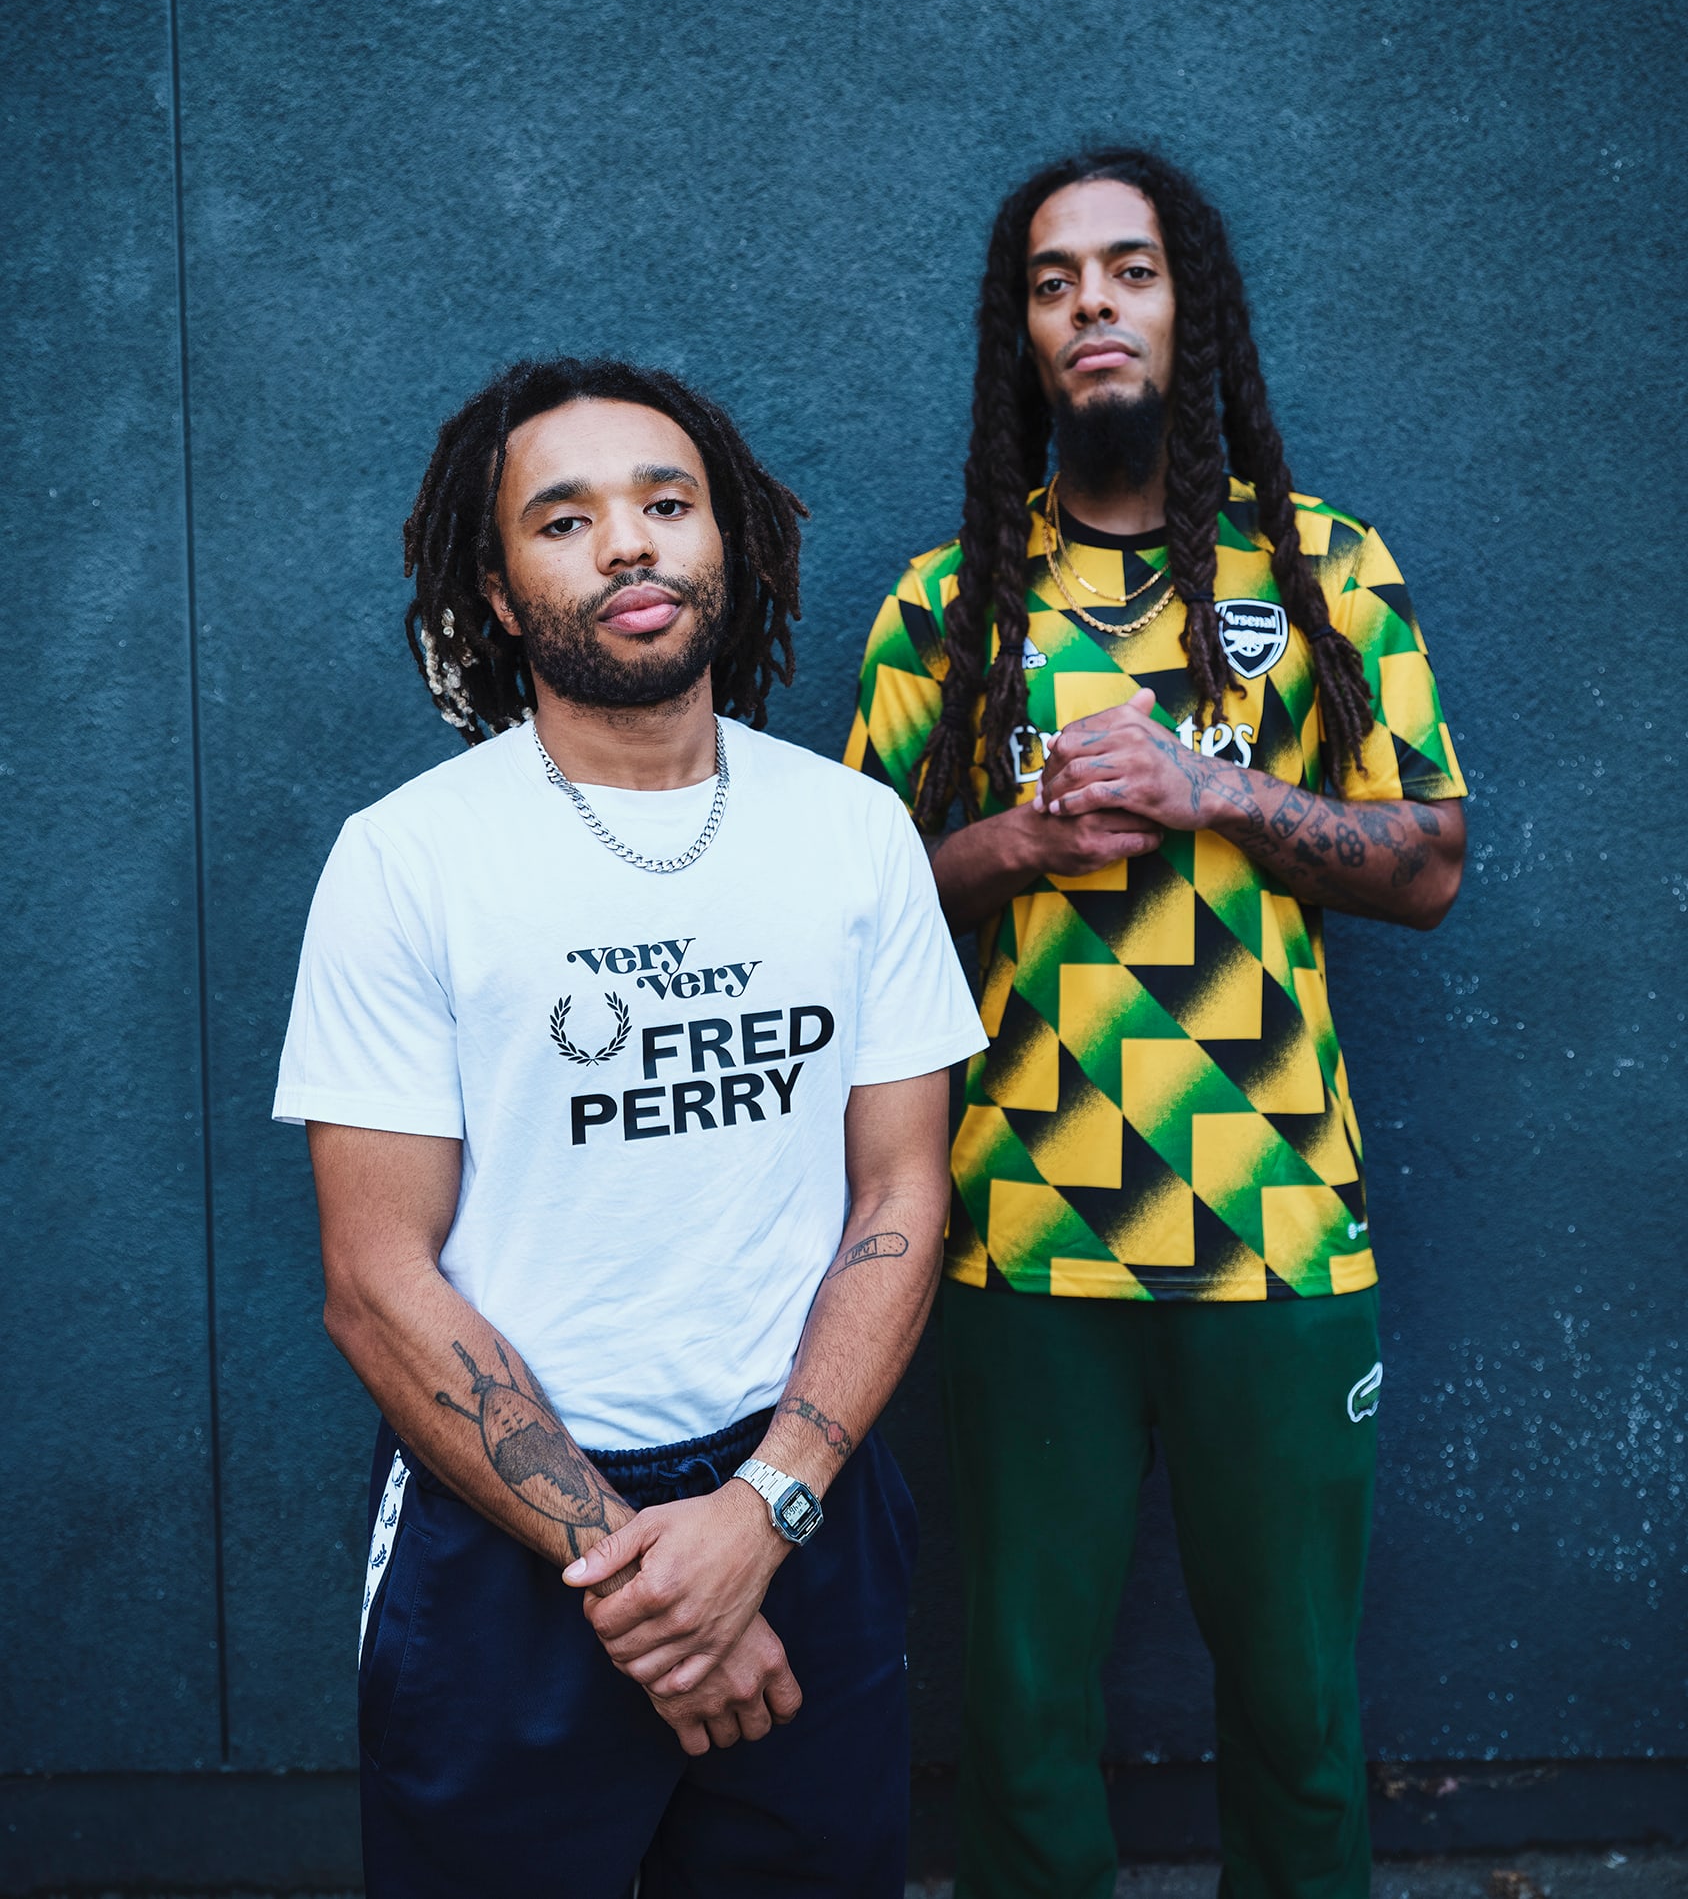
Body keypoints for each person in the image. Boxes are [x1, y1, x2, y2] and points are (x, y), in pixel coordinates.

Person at [275, 356, 984, 1899]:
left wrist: (761, 1514)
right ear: (498, 590)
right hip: (506, 1537)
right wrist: (643, 1577)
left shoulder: (853, 833)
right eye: (565, 517)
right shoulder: (408, 861)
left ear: (729, 537)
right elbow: (374, 1279)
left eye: (668, 502)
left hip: (804, 1503)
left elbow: (902, 1193)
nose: (627, 542)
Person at [846, 147, 1468, 1899]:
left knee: (1296, 1712)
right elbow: (845, 902)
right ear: (1023, 334)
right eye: (1053, 283)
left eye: (1129, 269)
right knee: (1023, 1716)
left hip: (1278, 1227)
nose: (1093, 306)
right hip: (1024, 1234)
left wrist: (1214, 789)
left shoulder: (1326, 566)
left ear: (1189, 307)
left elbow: (1429, 861)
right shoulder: (948, 598)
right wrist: (1018, 842)